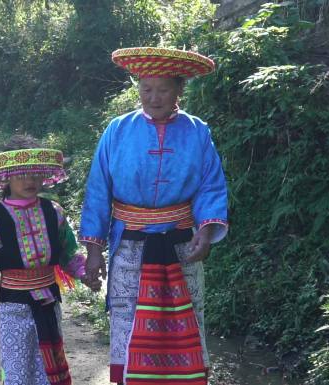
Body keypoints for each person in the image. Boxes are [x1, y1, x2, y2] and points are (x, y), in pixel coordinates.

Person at [79, 47, 229, 385]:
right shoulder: (117, 130)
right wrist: (93, 250)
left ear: (178, 90)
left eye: (163, 89)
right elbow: (98, 190)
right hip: (130, 243)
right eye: (147, 89)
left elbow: (211, 185)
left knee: (188, 315)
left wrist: (205, 233)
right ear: (138, 90)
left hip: (181, 242)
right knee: (128, 318)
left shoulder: (197, 131)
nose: (154, 97)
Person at [0, 135, 88, 385]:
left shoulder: (53, 212)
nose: (30, 180)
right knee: (17, 367)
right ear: (6, 177)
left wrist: (85, 274)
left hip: (49, 301)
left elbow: (68, 252)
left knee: (49, 364)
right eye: (22, 174)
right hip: (13, 306)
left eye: (35, 174)